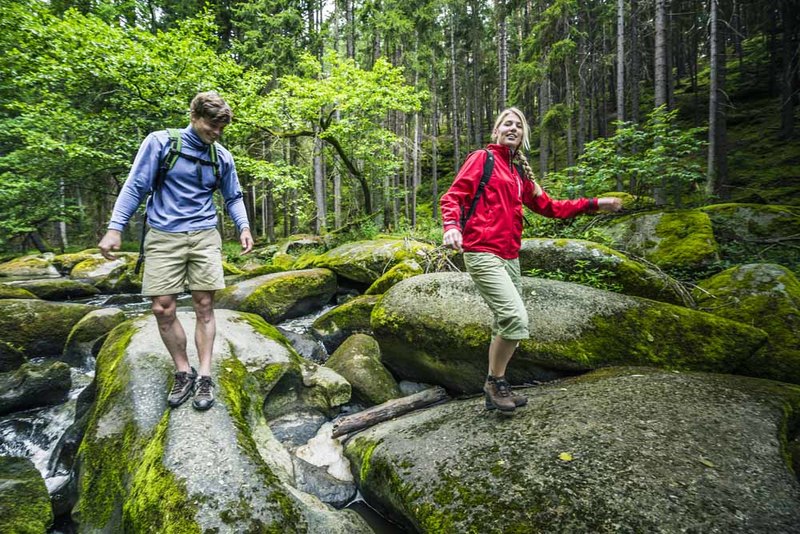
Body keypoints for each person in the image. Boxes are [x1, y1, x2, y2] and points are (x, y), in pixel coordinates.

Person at [440, 107, 622, 415]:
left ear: (523, 135)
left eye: (519, 125)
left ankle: (495, 386)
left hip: (510, 257)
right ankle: (495, 383)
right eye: (507, 124)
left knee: (504, 322)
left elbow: (551, 207)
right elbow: (453, 197)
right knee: (515, 319)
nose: (513, 128)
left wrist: (595, 204)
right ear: (496, 131)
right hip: (482, 252)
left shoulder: (519, 173)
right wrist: (451, 226)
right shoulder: (482, 159)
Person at [98, 91, 254, 411]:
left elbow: (233, 196)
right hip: (163, 234)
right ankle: (183, 370)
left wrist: (244, 227)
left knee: (204, 305)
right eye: (212, 126)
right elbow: (135, 186)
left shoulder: (221, 157)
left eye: (222, 128)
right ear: (194, 117)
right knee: (162, 308)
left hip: (204, 234)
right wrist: (115, 228)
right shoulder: (161, 143)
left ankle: (205, 376)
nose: (217, 133)